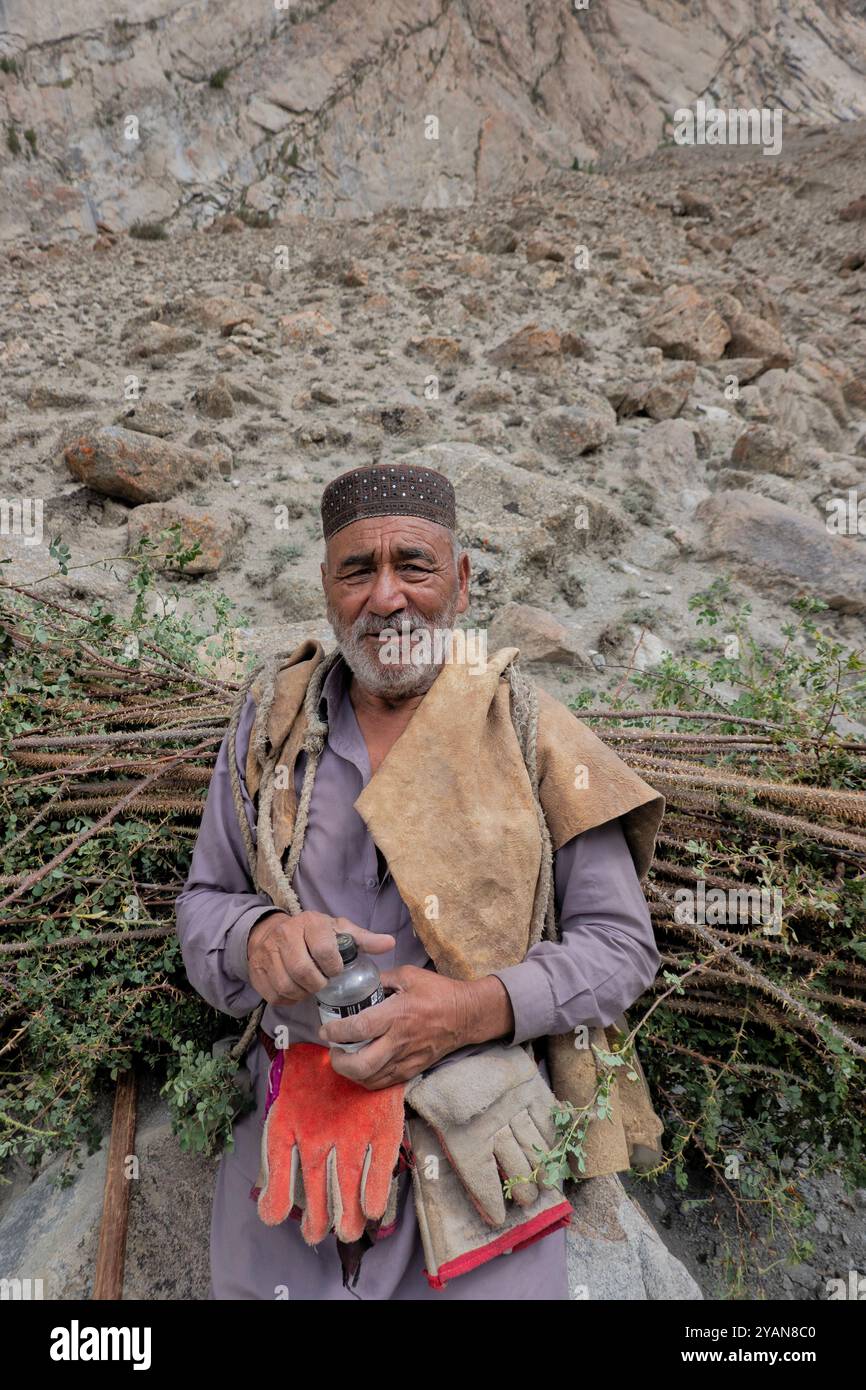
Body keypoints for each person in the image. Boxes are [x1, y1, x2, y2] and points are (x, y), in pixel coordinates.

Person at [175, 461, 665, 1300]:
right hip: (293, 1138)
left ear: (462, 583)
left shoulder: (529, 731)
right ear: (327, 588)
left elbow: (622, 950)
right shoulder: (271, 723)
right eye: (357, 570)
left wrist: (472, 1010)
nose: (387, 597)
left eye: (415, 565)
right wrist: (257, 942)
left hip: (478, 1150)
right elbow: (203, 904)